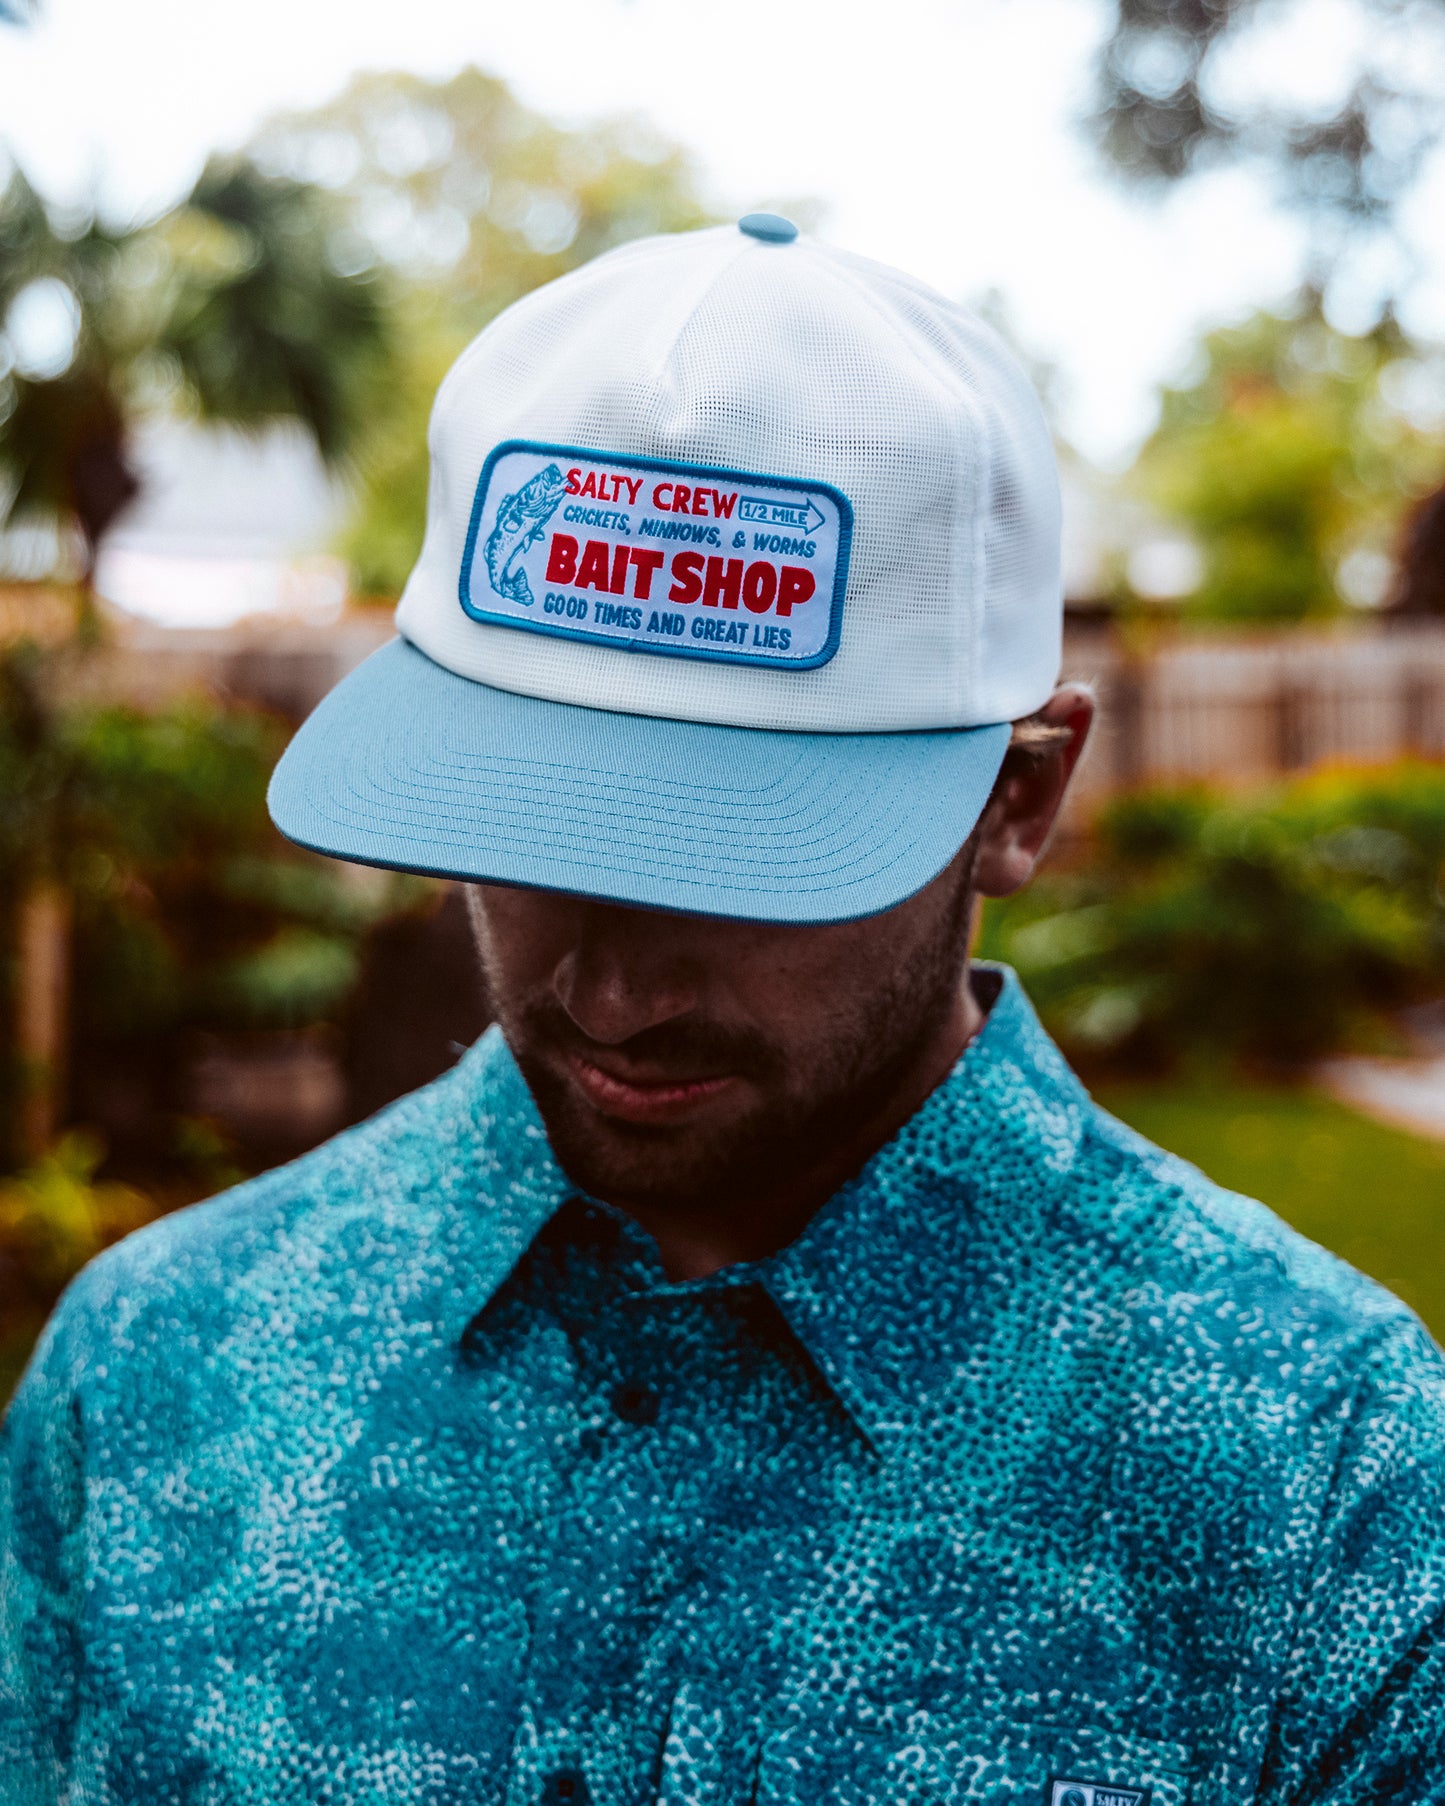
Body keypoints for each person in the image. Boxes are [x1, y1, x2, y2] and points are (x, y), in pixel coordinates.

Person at [2, 215, 1442, 1806]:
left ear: (1017, 797)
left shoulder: (1327, 1495)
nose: (611, 988)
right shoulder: (151, 1375)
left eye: (743, 862)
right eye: (532, 834)